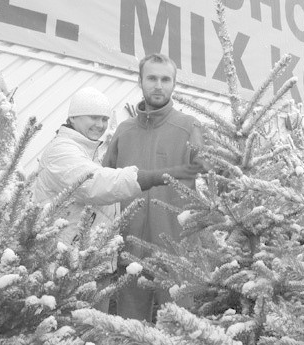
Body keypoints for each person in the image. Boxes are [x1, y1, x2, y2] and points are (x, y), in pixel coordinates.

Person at [33, 87, 203, 312]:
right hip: (68, 263)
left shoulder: (87, 150)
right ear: (73, 117)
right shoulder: (64, 151)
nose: (100, 125)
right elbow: (97, 184)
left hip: (91, 261)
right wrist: (150, 177)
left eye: (104, 119)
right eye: (93, 117)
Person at [102, 53, 206, 321]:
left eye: (165, 79)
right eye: (152, 78)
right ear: (140, 81)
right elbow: (106, 184)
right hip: (130, 253)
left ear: (173, 84)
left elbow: (210, 179)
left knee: (181, 329)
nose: (158, 85)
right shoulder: (123, 131)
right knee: (130, 330)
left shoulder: (189, 128)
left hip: (176, 253)